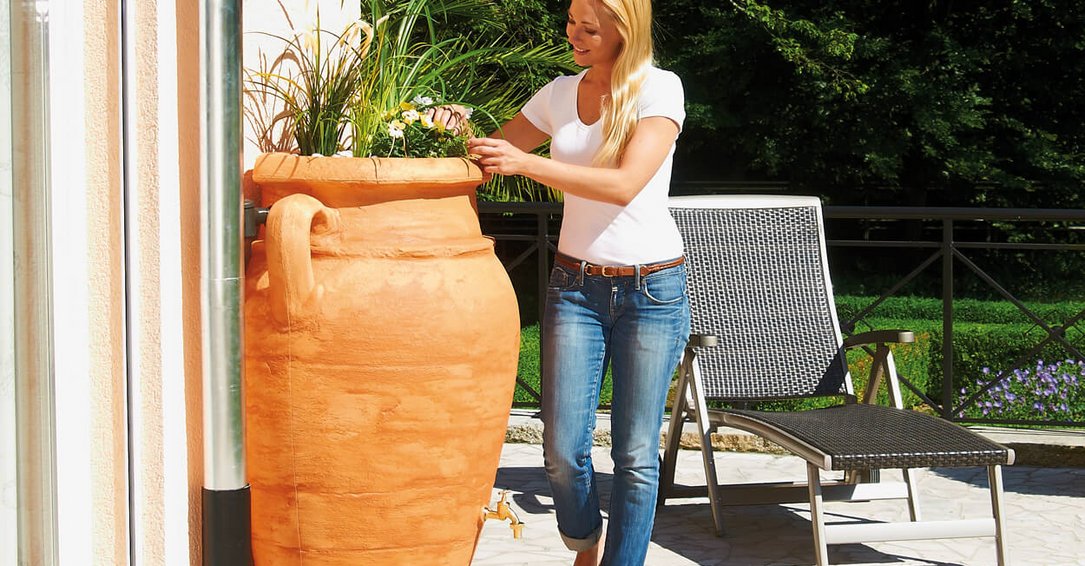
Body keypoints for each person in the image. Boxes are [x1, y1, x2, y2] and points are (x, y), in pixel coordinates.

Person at [463, 0, 689, 564]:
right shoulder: (559, 92)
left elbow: (623, 184)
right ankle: (584, 541)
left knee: (636, 454)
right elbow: (493, 154)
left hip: (652, 292)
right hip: (574, 288)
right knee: (563, 451)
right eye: (571, 22)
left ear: (622, 29)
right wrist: (455, 129)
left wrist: (525, 164)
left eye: (589, 28)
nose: (573, 34)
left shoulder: (660, 90)